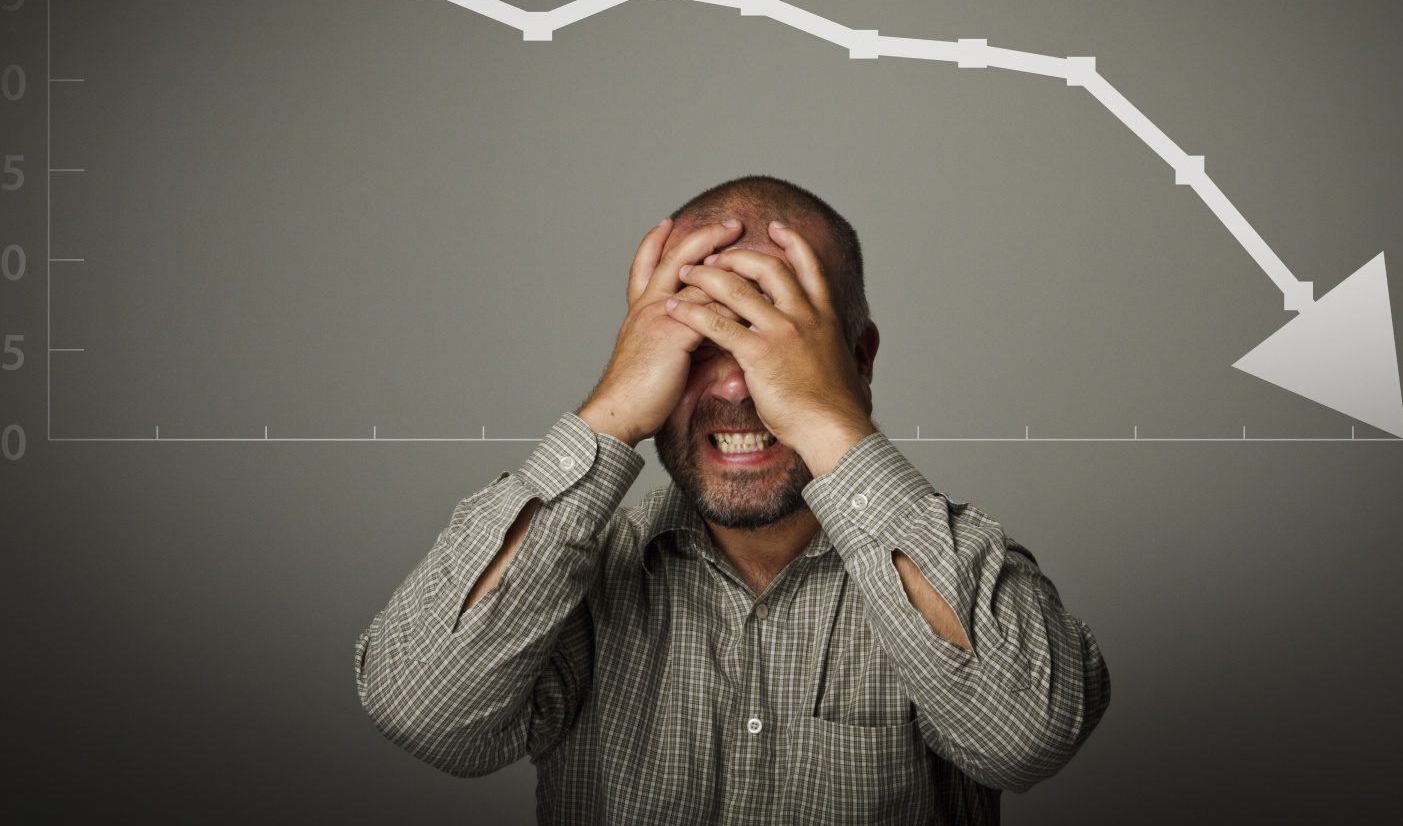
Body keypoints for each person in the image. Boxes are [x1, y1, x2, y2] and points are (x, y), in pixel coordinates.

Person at [354, 174, 1110, 824]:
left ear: (859, 357)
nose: (737, 383)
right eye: (698, 338)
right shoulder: (578, 577)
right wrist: (610, 415)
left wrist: (827, 418)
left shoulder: (950, 568)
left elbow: (1028, 738)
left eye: (772, 333)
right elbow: (426, 714)